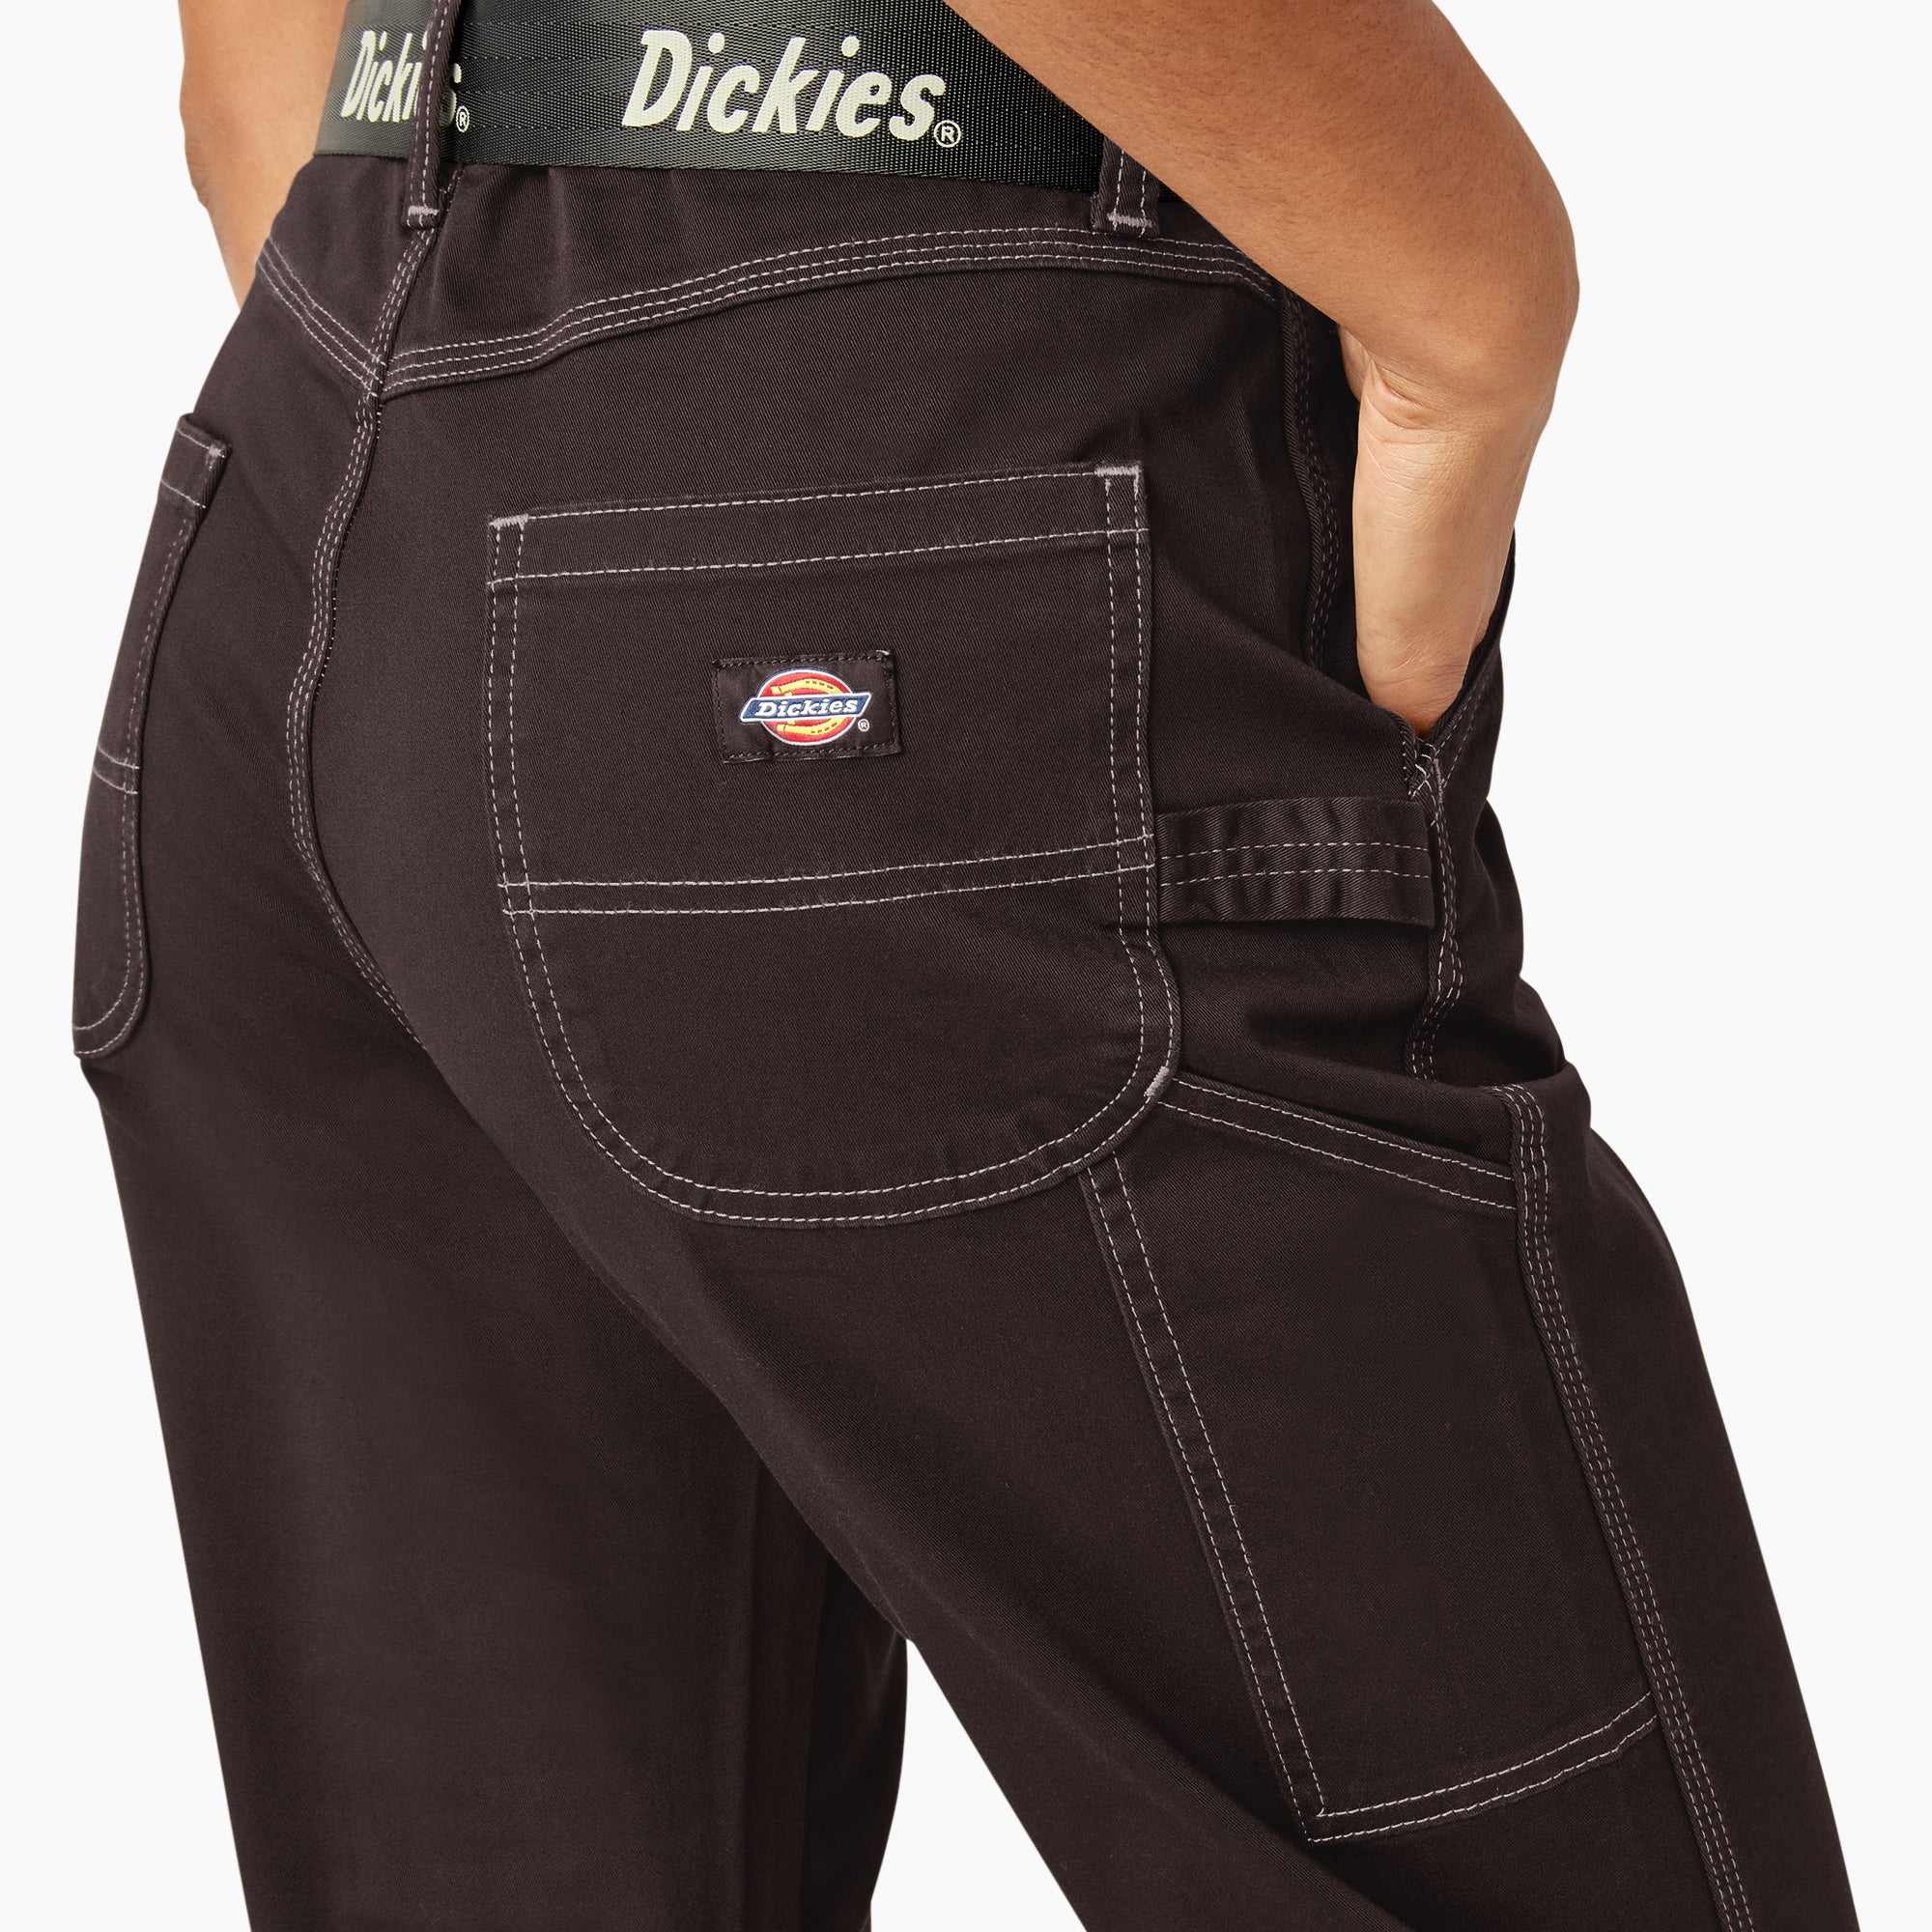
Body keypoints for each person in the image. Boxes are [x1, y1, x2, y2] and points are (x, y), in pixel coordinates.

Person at [75, 1, 1857, 1925]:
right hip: (886, 422)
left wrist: (435, 465)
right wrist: (1473, 296)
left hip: (317, 454)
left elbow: (242, 113)